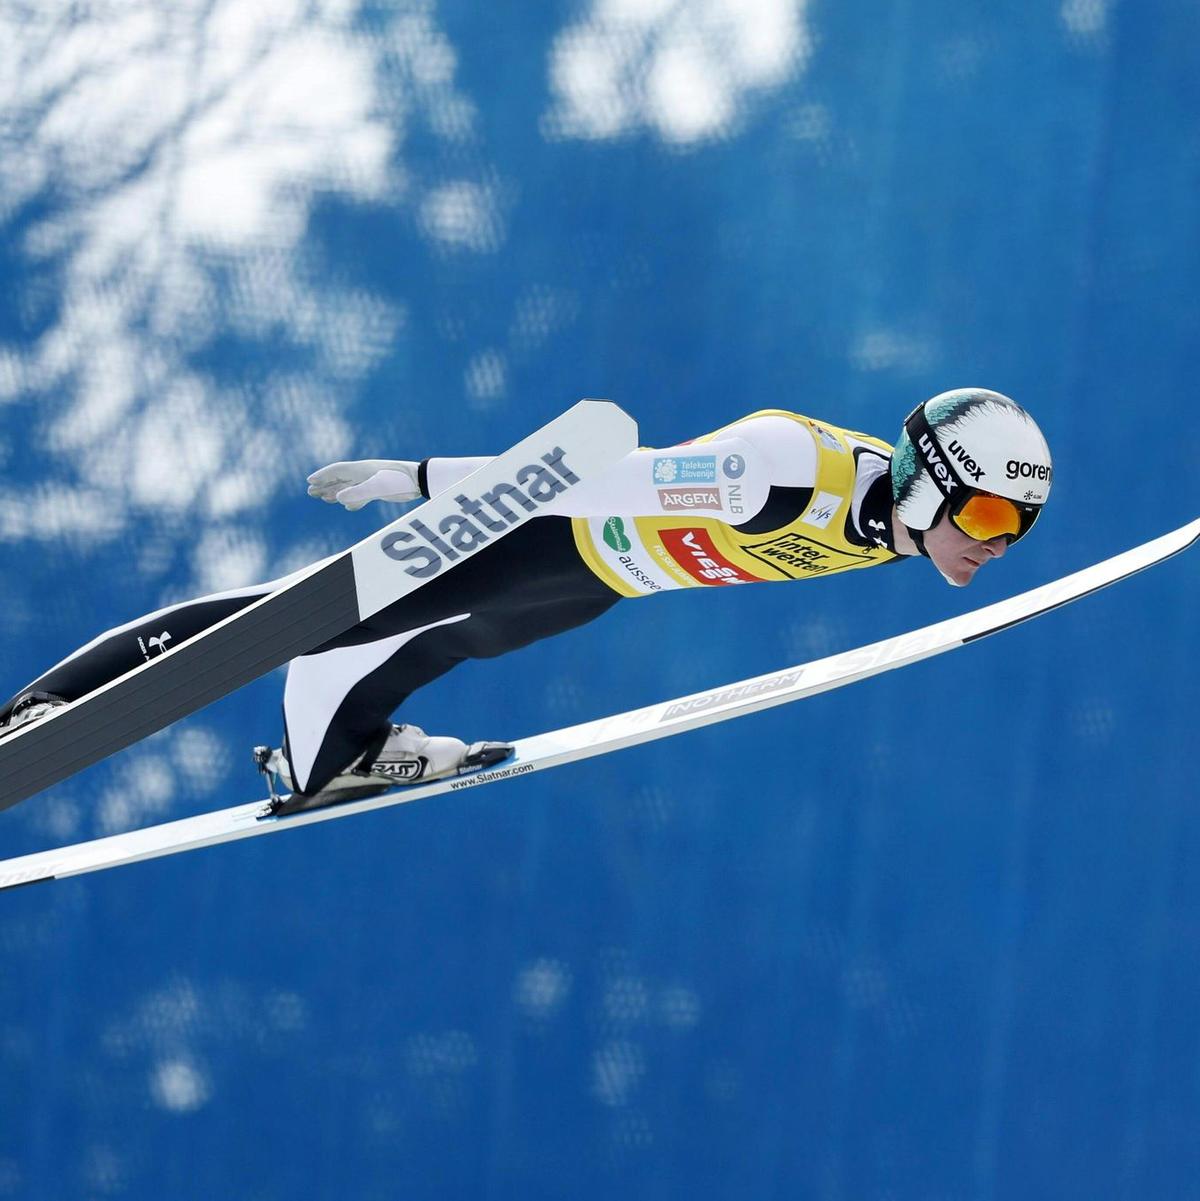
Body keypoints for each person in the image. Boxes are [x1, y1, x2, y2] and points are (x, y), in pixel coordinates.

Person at [0, 388, 1052, 812]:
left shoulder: (896, 535)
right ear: (933, 478)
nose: (996, 548)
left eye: (1018, 532)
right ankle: (43, 712)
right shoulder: (786, 472)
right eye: (995, 520)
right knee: (293, 614)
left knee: (414, 655)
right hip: (542, 533)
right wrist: (418, 480)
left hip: (591, 586)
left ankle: (334, 756)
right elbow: (601, 476)